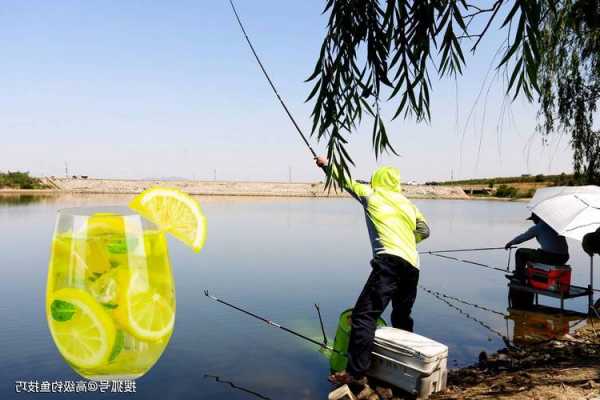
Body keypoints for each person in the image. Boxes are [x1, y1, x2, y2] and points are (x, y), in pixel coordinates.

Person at [315, 156, 430, 385]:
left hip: (389, 262)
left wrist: (327, 164)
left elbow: (345, 181)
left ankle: (356, 373)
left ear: (376, 180)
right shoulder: (409, 204)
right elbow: (425, 231)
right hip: (413, 266)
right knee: (401, 316)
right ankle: (407, 369)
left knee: (363, 316)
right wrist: (408, 241)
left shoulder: (372, 194)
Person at [505, 213, 569, 282]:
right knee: (533, 253)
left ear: (538, 218)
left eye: (533, 219)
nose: (533, 221)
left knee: (520, 252)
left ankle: (519, 277)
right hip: (564, 257)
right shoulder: (554, 226)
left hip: (551, 257)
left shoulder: (538, 227)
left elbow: (523, 237)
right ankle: (523, 273)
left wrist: (510, 243)